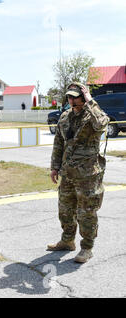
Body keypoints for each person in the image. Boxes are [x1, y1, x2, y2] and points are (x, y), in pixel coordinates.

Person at [47, 82, 109, 263]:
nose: (72, 100)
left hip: (88, 174)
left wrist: (90, 101)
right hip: (67, 173)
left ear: (83, 97)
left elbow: (102, 123)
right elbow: (58, 143)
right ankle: (67, 241)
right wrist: (54, 167)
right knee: (65, 209)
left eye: (75, 96)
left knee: (86, 212)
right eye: (69, 97)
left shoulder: (92, 115)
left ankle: (87, 248)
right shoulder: (65, 117)